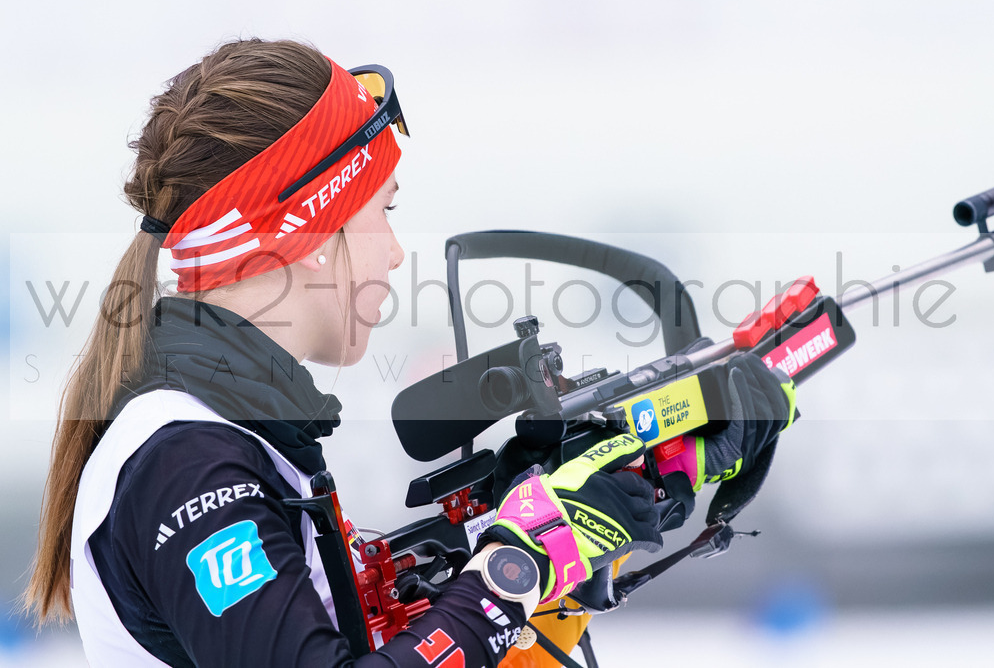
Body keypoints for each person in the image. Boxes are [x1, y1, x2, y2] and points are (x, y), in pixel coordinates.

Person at [24, 39, 793, 667]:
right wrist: (514, 566)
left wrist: (638, 485)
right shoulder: (188, 462)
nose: (393, 252)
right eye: (380, 213)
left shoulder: (238, 434)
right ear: (311, 233)